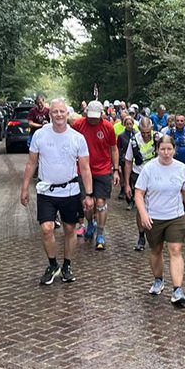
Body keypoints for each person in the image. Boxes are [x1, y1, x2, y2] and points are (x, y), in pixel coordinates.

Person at [20, 99, 94, 285]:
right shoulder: (40, 136)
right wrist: (25, 188)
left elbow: (85, 168)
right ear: (49, 114)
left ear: (67, 114)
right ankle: (52, 265)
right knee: (47, 229)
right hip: (47, 190)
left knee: (70, 229)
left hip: (70, 191)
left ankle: (67, 265)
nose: (59, 115)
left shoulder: (77, 138)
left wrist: (89, 195)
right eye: (55, 112)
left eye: (62, 111)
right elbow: (31, 163)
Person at [134, 135, 185, 307]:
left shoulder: (181, 168)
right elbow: (139, 193)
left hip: (175, 216)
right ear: (157, 150)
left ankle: (177, 289)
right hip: (154, 216)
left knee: (175, 249)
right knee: (156, 250)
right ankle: (158, 279)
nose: (166, 153)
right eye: (163, 149)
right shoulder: (149, 168)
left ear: (174, 150)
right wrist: (144, 214)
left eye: (169, 149)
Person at [70, 100, 119, 249]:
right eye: (90, 116)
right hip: (83, 170)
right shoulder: (79, 125)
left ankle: (101, 233)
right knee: (87, 204)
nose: (92, 120)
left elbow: (113, 149)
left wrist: (116, 170)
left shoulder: (108, 127)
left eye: (95, 117)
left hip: (102, 170)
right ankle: (90, 222)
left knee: (100, 203)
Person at [124, 117, 158, 249]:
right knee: (140, 206)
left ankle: (155, 233)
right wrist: (126, 183)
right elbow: (128, 162)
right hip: (139, 175)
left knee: (155, 205)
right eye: (143, 133)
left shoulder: (158, 138)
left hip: (156, 175)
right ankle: (141, 236)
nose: (145, 135)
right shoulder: (133, 141)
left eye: (148, 132)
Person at [116, 115, 136, 201]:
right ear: (124, 125)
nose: (129, 126)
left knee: (133, 179)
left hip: (135, 160)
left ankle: (134, 196)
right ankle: (127, 195)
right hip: (124, 160)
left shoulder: (136, 135)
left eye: (131, 124)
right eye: (127, 124)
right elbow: (118, 148)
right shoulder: (121, 136)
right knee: (126, 177)